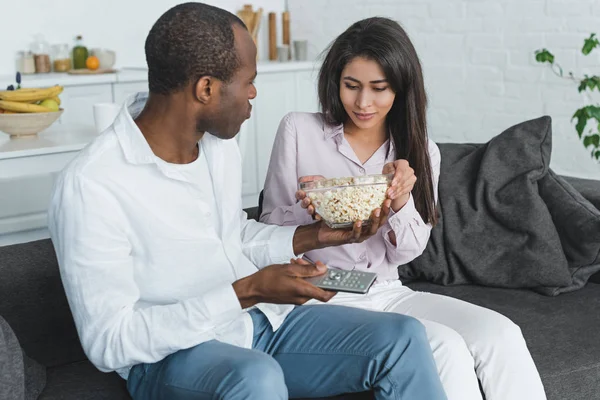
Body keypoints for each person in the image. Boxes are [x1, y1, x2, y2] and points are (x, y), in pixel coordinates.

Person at [47, 4, 448, 400]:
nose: (254, 93)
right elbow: (109, 342)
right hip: (170, 354)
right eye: (248, 81)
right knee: (255, 377)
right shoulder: (91, 184)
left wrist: (313, 236)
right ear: (206, 89)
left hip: (257, 325)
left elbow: (232, 236)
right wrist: (248, 291)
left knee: (402, 337)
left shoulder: (218, 147)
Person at [260, 16, 547, 400]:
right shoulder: (298, 130)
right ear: (335, 83)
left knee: (502, 334)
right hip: (320, 291)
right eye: (351, 86)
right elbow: (267, 229)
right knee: (444, 345)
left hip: (387, 290)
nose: (363, 102)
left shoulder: (419, 150)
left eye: (379, 88)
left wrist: (400, 201)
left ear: (401, 88)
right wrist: (313, 211)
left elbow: (409, 250)